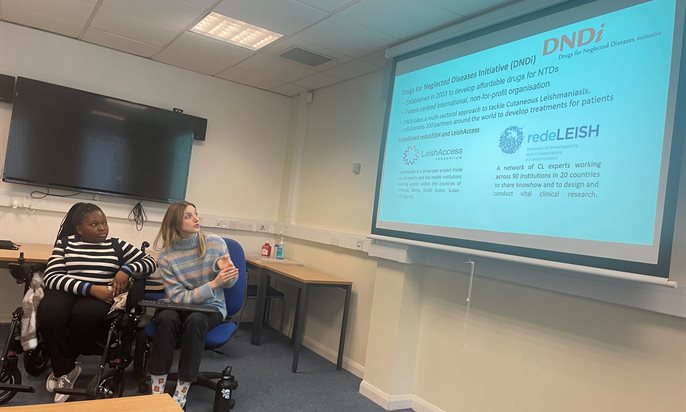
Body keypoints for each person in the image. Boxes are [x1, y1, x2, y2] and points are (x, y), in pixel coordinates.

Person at [37, 202, 160, 403]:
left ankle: (63, 369)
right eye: (94, 224)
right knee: (49, 312)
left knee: (86, 315)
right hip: (71, 290)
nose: (101, 228)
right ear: (79, 229)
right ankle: (66, 369)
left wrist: (126, 270)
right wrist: (90, 288)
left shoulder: (116, 245)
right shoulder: (66, 244)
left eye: (103, 223)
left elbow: (150, 262)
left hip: (100, 296)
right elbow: (51, 276)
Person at [147, 201, 238, 409]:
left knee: (195, 321)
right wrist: (213, 284)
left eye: (196, 214)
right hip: (181, 304)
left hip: (211, 307)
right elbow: (177, 297)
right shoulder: (166, 256)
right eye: (188, 216)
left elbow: (230, 282)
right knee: (165, 318)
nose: (196, 219)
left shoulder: (215, 243)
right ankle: (157, 390)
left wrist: (227, 272)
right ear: (175, 223)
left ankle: (181, 390)